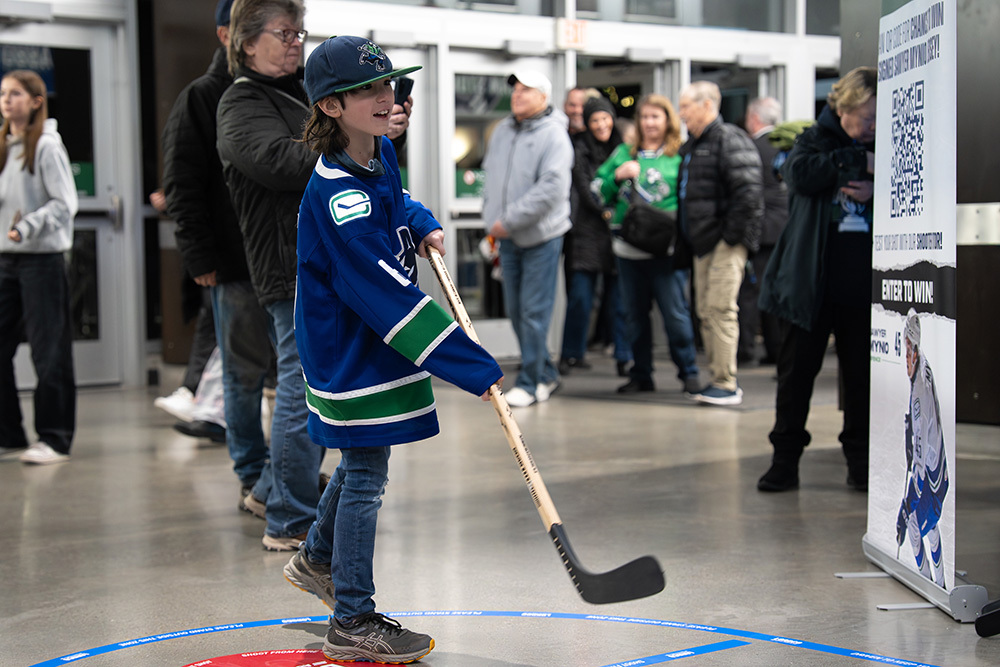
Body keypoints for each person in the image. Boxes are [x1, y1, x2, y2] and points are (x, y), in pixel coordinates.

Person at [281, 35, 504, 664]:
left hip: (370, 343)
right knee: (367, 476)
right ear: (330, 106)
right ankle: (351, 618)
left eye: (389, 85)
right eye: (370, 90)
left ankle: (318, 558)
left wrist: (421, 218)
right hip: (351, 349)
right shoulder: (336, 196)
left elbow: (393, 205)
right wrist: (469, 364)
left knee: (360, 462)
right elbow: (383, 295)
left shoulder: (376, 154)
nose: (388, 98)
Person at [159, 0, 273, 497]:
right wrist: (199, 257)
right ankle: (252, 472)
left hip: (282, 259)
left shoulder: (280, 91)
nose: (292, 42)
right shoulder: (202, 96)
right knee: (242, 376)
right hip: (232, 262)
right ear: (231, 37)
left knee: (286, 376)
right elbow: (181, 182)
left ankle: (281, 475)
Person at [756, 66, 877, 492]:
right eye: (865, 118)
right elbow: (800, 175)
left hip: (862, 288)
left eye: (877, 119)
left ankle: (860, 463)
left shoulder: (885, 147)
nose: (871, 127)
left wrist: (877, 183)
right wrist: (859, 161)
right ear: (843, 109)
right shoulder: (812, 139)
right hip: (809, 285)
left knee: (862, 382)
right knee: (796, 377)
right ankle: (784, 462)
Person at [593, 94, 700, 394]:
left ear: (668, 120)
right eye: (645, 117)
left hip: (667, 251)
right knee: (634, 317)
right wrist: (617, 175)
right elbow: (598, 191)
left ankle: (689, 372)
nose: (650, 122)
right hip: (628, 251)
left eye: (656, 116)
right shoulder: (625, 153)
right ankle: (641, 374)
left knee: (676, 315)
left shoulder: (680, 154)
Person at [0, 70, 78, 465]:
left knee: (49, 352)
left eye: (15, 93)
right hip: (6, 261)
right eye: (2, 94)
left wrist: (27, 226)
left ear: (34, 101)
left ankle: (55, 438)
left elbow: (65, 203)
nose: (6, 100)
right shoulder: (5, 146)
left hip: (42, 261)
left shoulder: (47, 146)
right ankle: (9, 433)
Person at [482, 70, 572, 408]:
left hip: (541, 237)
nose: (517, 95)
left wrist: (508, 220)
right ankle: (546, 373)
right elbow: (491, 177)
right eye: (515, 89)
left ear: (543, 97)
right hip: (506, 236)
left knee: (534, 311)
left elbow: (551, 189)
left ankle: (532, 382)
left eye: (526, 89)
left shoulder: (555, 135)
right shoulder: (504, 130)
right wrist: (491, 218)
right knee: (517, 311)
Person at [677, 81, 763, 406]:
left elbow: (749, 195)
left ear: (708, 105)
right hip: (703, 244)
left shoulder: (729, 139)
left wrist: (729, 238)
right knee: (705, 311)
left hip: (723, 244)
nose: (682, 113)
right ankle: (716, 380)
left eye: (687, 106)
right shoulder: (695, 145)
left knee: (721, 309)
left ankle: (726, 384)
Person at [558, 96, 624, 374]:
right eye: (595, 120)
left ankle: (624, 355)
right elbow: (584, 189)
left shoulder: (622, 147)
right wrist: (605, 210)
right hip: (586, 232)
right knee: (581, 298)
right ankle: (571, 353)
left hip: (617, 234)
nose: (601, 125)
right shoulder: (578, 148)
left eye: (605, 118)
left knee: (619, 300)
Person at [896, 309, 948, 587]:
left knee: (916, 524)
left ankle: (927, 581)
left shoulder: (919, 397)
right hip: (936, 471)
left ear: (915, 350)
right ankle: (938, 581)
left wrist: (905, 510)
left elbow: (917, 467)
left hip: (932, 476)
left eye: (907, 352)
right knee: (929, 524)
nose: (906, 360)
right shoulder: (922, 366)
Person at [737, 97, 788, 366]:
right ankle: (775, 348)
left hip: (761, 228)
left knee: (750, 293)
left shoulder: (751, 148)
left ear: (754, 118)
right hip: (784, 229)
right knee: (774, 292)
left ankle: (744, 350)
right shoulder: (786, 147)